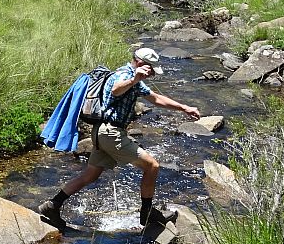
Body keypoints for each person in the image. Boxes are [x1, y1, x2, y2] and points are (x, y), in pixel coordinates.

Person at [37, 47, 201, 229]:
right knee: (152, 166)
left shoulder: (135, 79)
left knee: (90, 175)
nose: (153, 74)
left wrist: (184, 108)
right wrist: (134, 79)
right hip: (110, 133)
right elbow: (116, 90)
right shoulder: (124, 75)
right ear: (140, 64)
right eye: (151, 69)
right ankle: (147, 214)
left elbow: (155, 98)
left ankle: (52, 205)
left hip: (103, 133)